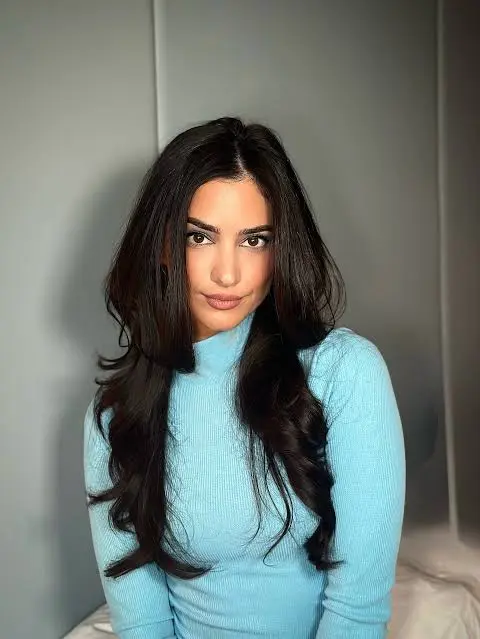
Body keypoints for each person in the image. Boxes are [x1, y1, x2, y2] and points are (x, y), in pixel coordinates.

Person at [83, 116, 405, 639]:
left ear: (280, 250)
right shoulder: (116, 415)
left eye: (254, 240)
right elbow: (142, 621)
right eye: (199, 237)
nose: (227, 273)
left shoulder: (345, 372)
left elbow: (358, 611)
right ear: (162, 244)